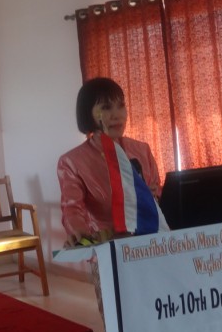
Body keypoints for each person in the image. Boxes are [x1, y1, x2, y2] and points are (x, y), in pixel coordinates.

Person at [57, 77, 169, 248]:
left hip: (152, 243)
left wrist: (154, 194)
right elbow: (72, 209)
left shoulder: (141, 150)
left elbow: (158, 193)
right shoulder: (72, 162)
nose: (117, 115)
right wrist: (79, 233)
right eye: (106, 107)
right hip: (107, 246)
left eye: (121, 106)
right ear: (88, 113)